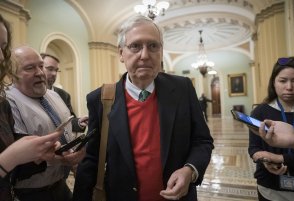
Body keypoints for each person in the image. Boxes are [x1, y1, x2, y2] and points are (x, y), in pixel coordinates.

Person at [73, 15, 214, 201]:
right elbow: (91, 160)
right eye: (135, 46)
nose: (145, 55)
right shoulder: (100, 99)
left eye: (153, 46)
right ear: (121, 53)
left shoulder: (182, 89)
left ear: (161, 52)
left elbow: (202, 141)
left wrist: (190, 170)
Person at [5, 45, 86, 201]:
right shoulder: (8, 103)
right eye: (30, 68)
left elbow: (67, 132)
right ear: (12, 73)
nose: (40, 73)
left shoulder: (54, 96)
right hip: (31, 194)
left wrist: (77, 151)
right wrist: (62, 159)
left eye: (41, 66)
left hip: (60, 185)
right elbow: (22, 158)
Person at [0, 14, 63, 201]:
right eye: (29, 68)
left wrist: (37, 153)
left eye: (3, 47)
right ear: (13, 73)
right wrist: (8, 159)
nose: (1, 56)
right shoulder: (10, 100)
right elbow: (9, 157)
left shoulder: (1, 103)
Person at [248, 57, 294, 201]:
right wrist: (264, 159)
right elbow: (253, 148)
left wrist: (281, 158)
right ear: (274, 82)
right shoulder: (260, 112)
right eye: (283, 81)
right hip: (270, 188)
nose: (289, 87)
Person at [41, 53, 88, 133]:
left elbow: (69, 121)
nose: (54, 74)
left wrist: (79, 122)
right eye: (50, 69)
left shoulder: (64, 95)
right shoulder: (28, 94)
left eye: (56, 70)